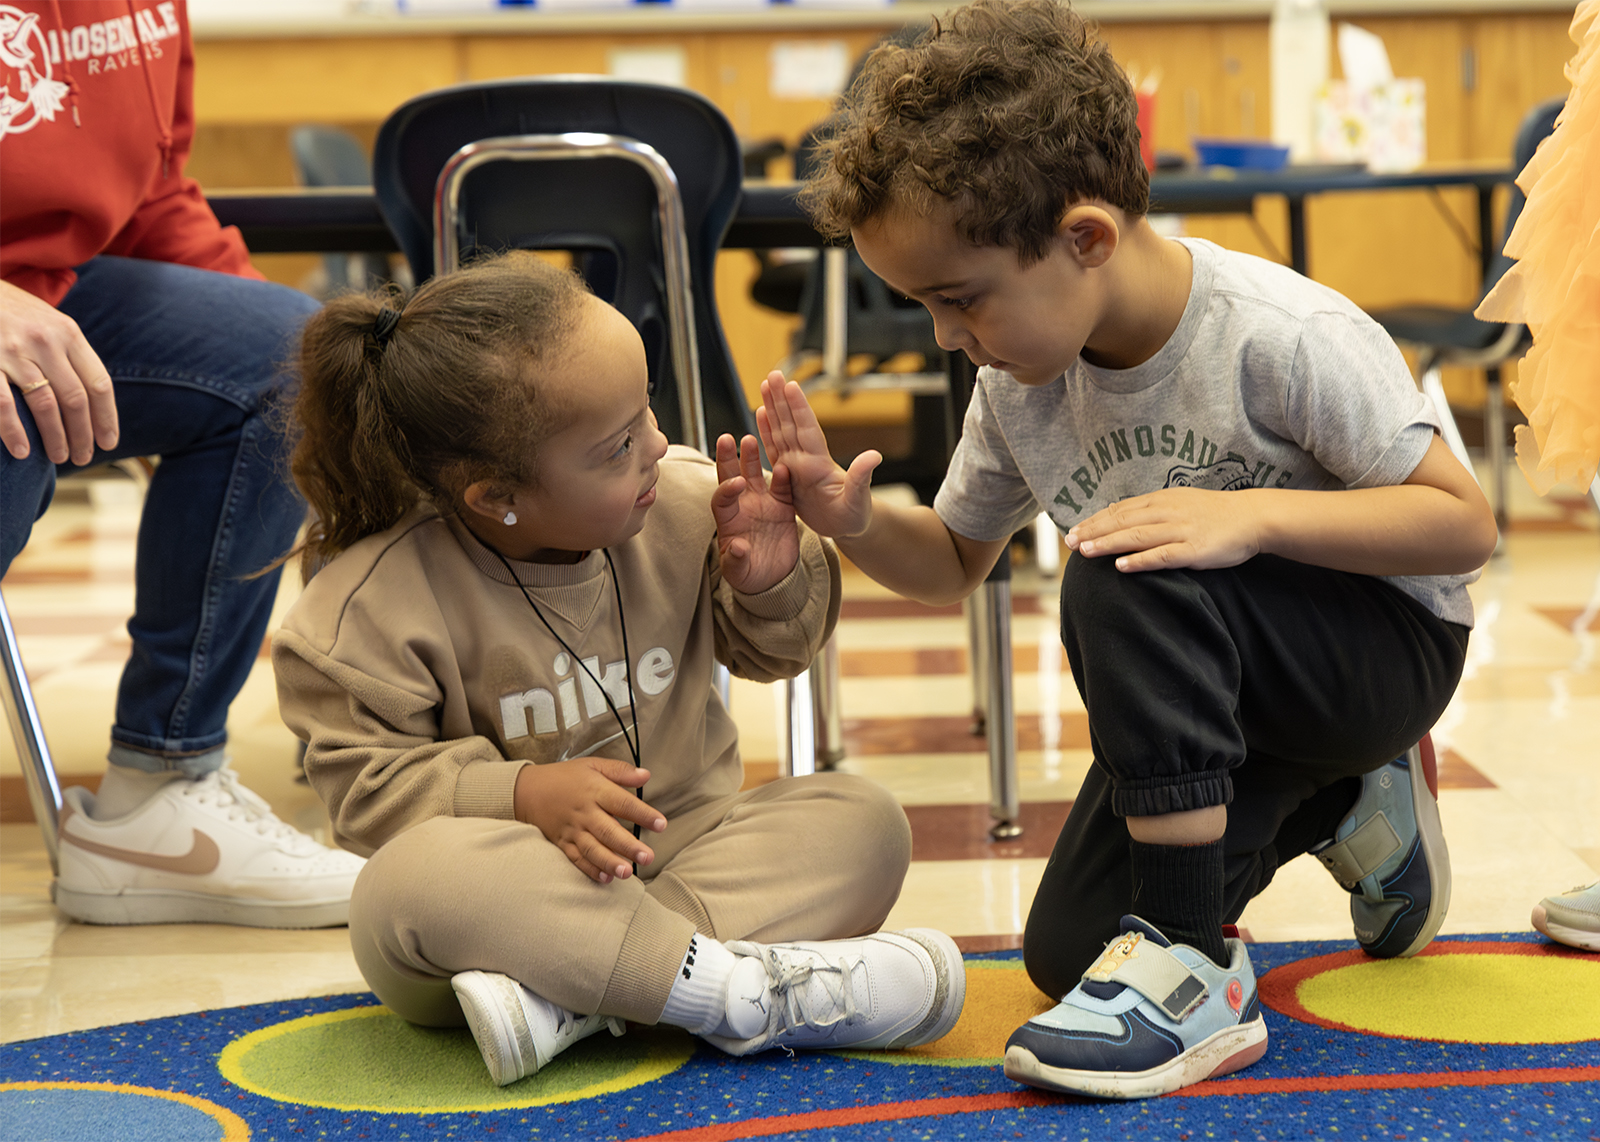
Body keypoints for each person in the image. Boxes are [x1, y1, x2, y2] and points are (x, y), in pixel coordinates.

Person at [764, 0, 1498, 1099]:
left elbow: (1461, 524)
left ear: (1087, 239)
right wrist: (852, 518)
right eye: (922, 305)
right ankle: (1355, 806)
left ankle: (1197, 968)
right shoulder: (1019, 382)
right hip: (1214, 694)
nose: (943, 336)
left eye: (959, 299)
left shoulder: (1280, 334)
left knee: (1124, 562)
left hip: (1377, 651)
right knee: (1069, 951)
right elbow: (955, 563)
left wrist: (1247, 517)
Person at [269, 252, 965, 1087]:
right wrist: (522, 797)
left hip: (685, 854)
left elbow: (774, 654)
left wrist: (768, 580)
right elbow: (369, 795)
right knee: (401, 889)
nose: (659, 446)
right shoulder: (366, 608)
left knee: (864, 819)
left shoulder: (682, 504)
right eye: (616, 446)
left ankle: (578, 1000)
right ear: (497, 497)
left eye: (647, 413)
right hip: (513, 911)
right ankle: (737, 993)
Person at [0, 0, 362, 927]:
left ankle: (159, 792)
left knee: (282, 362)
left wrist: (333, 399)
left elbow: (153, 194)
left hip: (57, 301)